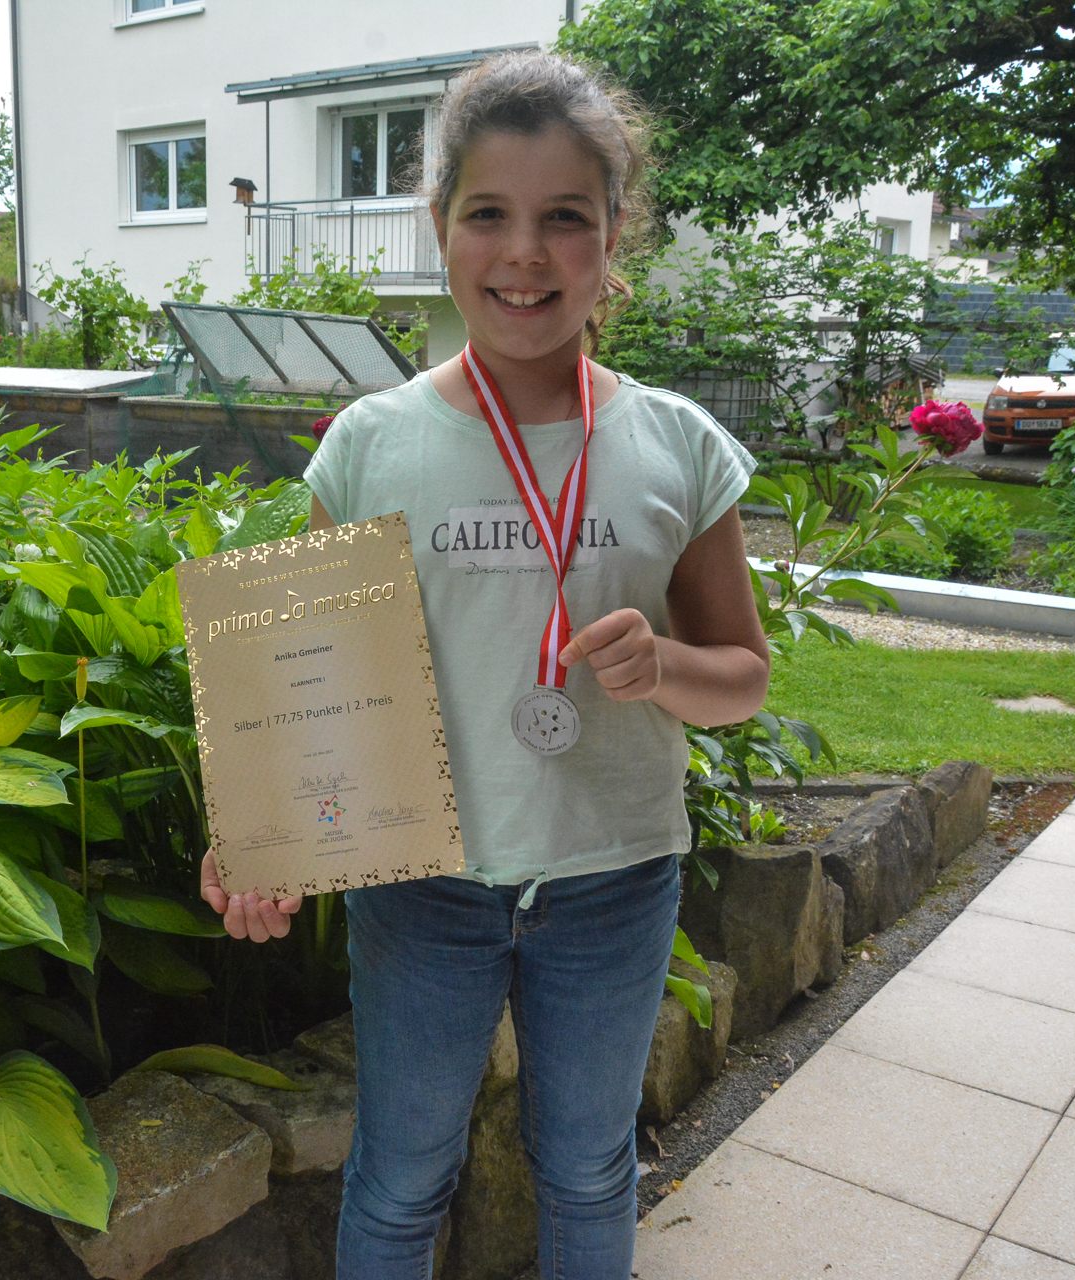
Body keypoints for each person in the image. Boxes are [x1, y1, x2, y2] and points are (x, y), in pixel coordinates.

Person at [199, 49, 769, 1280]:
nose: (525, 253)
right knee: (400, 1176)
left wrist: (665, 661)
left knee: (586, 1164)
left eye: (565, 217)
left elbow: (742, 676)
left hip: (612, 879)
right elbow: (310, 686)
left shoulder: (673, 442)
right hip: (424, 885)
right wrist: (261, 831)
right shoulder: (369, 445)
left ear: (613, 237)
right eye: (488, 214)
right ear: (440, 229)